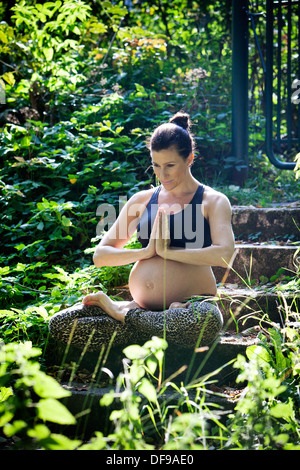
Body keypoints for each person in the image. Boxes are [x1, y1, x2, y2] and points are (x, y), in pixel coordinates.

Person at [49, 112, 235, 351]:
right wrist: (147, 252)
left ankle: (123, 316)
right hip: (143, 308)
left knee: (205, 323)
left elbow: (225, 254)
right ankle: (140, 322)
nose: (162, 175)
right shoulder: (142, 200)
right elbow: (101, 256)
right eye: (156, 165)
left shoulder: (213, 201)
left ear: (189, 158)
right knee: (62, 324)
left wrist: (168, 253)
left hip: (190, 308)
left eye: (170, 166)